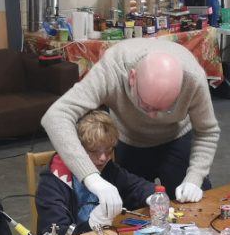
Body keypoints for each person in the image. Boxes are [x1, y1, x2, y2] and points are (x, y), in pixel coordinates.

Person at [41, 38, 220, 224]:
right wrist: (91, 177)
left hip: (177, 138)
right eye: (146, 106)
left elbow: (207, 131)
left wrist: (194, 177)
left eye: (165, 108)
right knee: (132, 219)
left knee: (196, 212)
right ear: (132, 78)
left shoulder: (193, 79)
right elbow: (55, 116)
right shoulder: (112, 70)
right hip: (131, 142)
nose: (153, 118)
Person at [36, 110, 155, 235]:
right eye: (94, 151)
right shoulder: (53, 182)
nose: (103, 158)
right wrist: (92, 224)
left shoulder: (108, 168)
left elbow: (137, 186)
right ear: (77, 150)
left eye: (108, 151)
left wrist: (154, 198)